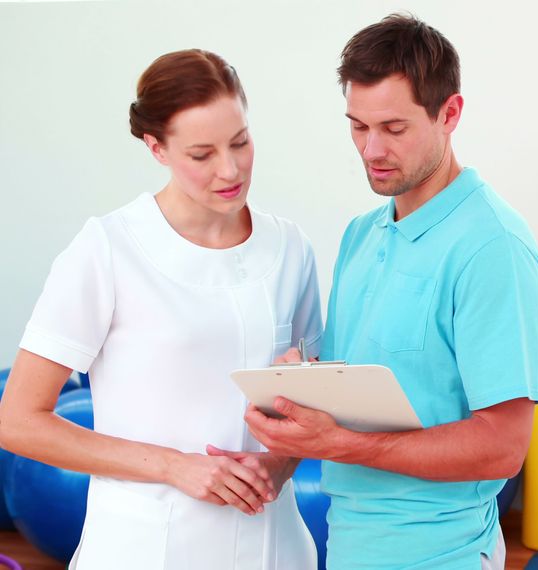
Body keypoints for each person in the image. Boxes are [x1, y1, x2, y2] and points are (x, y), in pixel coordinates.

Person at [244, 13, 538, 570]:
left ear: (449, 114)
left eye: (394, 128)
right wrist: (295, 396)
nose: (371, 149)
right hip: (351, 543)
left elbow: (504, 446)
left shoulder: (492, 248)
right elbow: (361, 387)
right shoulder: (363, 234)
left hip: (442, 552)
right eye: (358, 126)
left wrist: (342, 445)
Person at [0, 49, 320, 570]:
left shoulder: (289, 248)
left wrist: (280, 465)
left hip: (273, 545)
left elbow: (306, 400)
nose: (230, 168)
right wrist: (176, 467)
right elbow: (17, 420)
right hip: (143, 545)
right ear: (157, 148)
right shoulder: (108, 249)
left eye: (240, 142)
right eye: (202, 154)